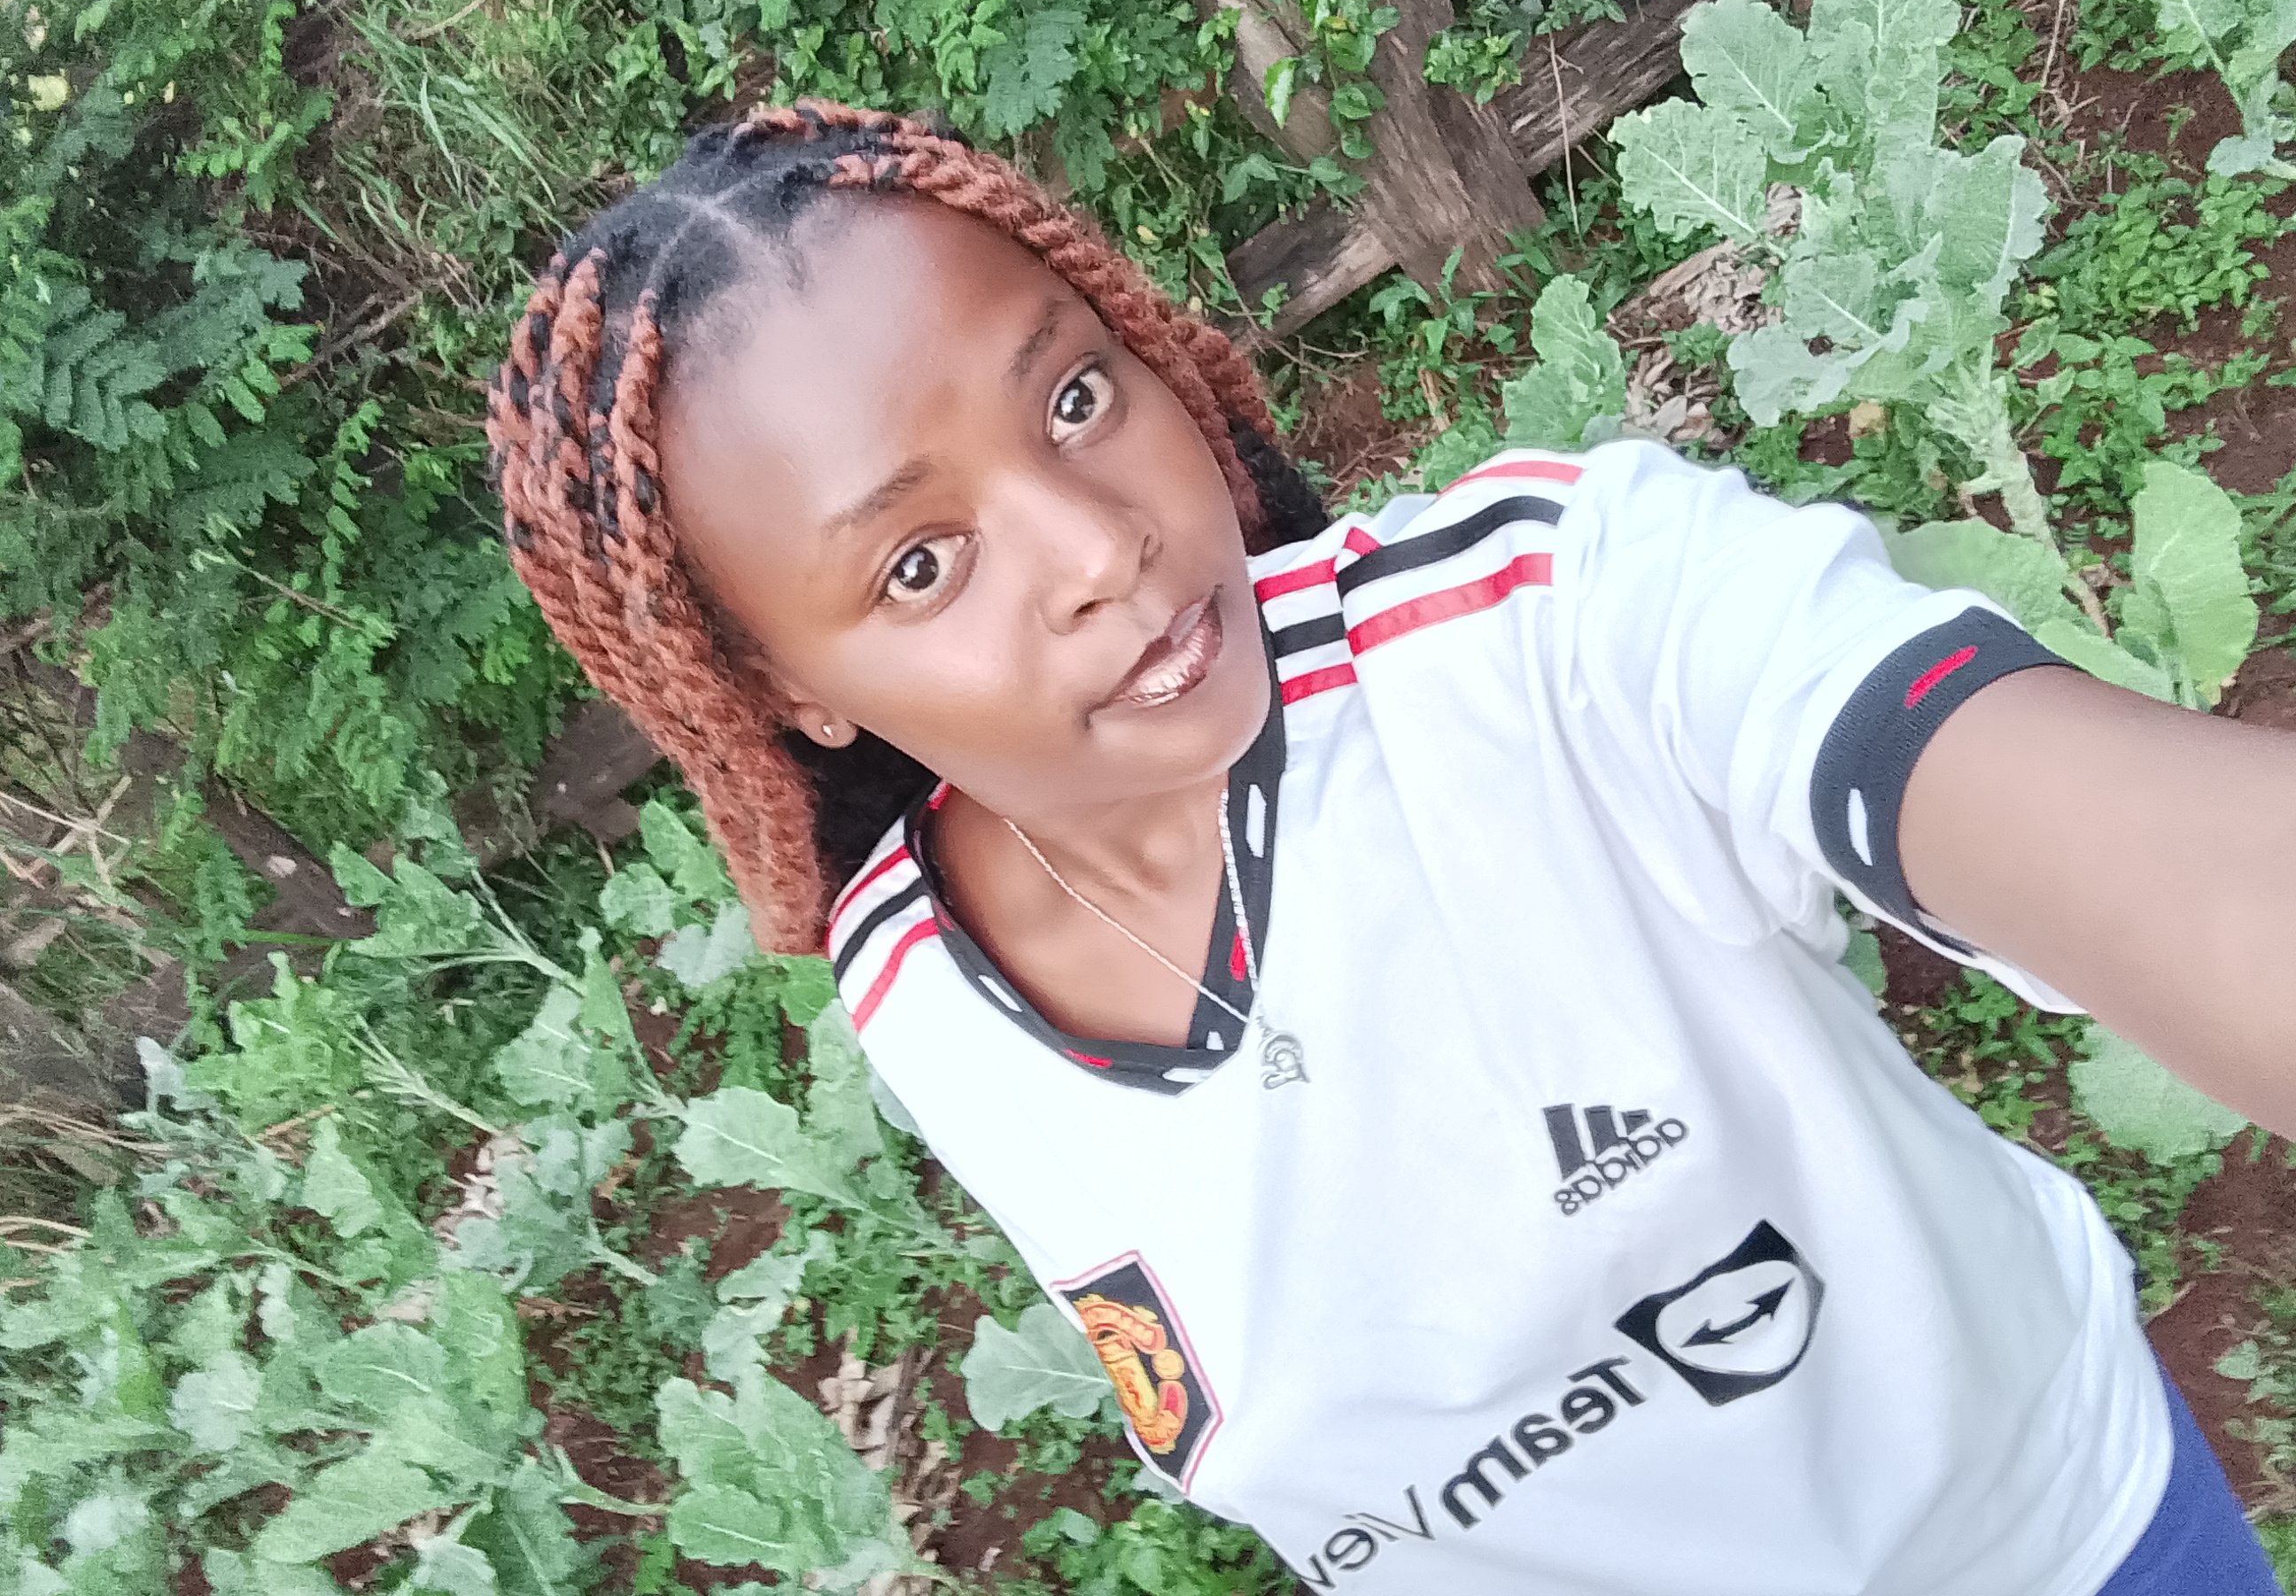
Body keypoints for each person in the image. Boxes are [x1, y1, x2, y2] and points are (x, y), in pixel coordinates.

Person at [485, 99, 2295, 1595]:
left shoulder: (1544, 639)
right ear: (782, 690)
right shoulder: (914, 992)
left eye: (1076, 400)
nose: (1103, 549)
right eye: (920, 565)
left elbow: (2146, 857)